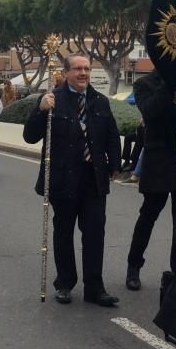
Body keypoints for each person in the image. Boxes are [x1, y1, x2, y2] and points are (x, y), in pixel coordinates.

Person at [23, 53, 122, 307]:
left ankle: (94, 287)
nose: (83, 74)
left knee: (94, 233)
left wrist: (115, 164)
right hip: (63, 178)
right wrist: (39, 110)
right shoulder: (53, 100)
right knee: (64, 232)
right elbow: (30, 137)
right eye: (77, 69)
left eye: (87, 69)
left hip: (93, 180)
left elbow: (111, 134)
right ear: (65, 73)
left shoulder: (100, 102)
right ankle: (65, 283)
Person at [125, 71, 176, 290]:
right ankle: (134, 265)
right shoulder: (145, 83)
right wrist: (170, 85)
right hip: (159, 158)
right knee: (148, 214)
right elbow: (150, 112)